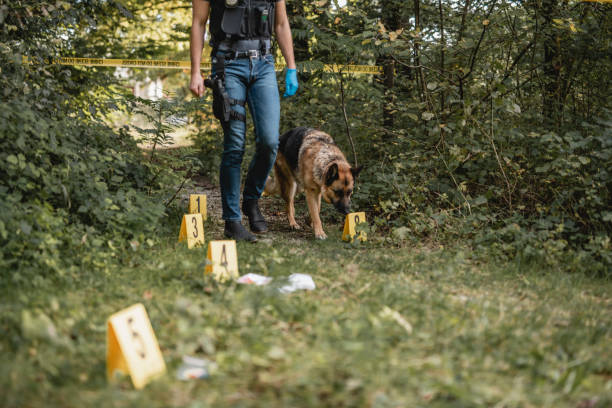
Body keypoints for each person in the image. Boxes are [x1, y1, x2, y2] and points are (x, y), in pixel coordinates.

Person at [190, 0, 298, 242]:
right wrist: (195, 71)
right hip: (227, 65)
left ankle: (251, 199)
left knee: (270, 142)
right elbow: (198, 23)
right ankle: (232, 220)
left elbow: (280, 24)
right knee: (235, 144)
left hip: (264, 65)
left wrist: (291, 67)